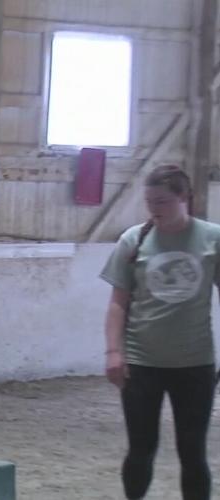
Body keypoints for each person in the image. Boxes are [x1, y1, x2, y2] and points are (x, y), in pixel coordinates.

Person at [101, 165, 220, 500]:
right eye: (150, 201)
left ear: (186, 199)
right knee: (141, 447)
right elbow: (117, 304)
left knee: (193, 451)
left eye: (164, 201)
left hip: (196, 364)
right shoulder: (134, 239)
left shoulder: (212, 238)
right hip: (141, 364)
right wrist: (113, 351)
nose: (155, 208)